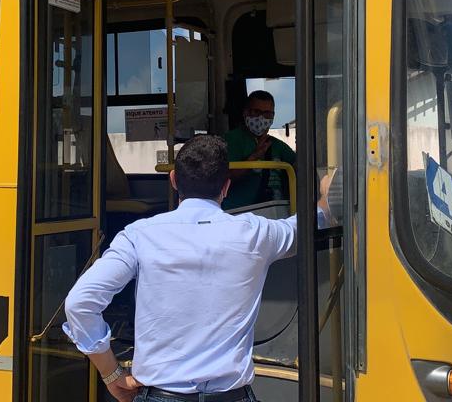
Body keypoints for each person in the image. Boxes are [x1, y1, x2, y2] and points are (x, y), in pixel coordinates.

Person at [63, 135, 330, 402]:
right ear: (226, 187)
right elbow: (310, 223)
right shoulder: (256, 233)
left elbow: (80, 303)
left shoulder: (138, 236)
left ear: (174, 181)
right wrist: (328, 198)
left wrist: (112, 375)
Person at [222, 90, 296, 210]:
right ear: (245, 112)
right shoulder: (230, 141)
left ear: (273, 116)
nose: (261, 118)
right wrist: (254, 157)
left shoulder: (278, 145)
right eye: (256, 112)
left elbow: (300, 169)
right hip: (239, 214)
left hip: (278, 212)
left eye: (267, 113)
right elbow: (225, 178)